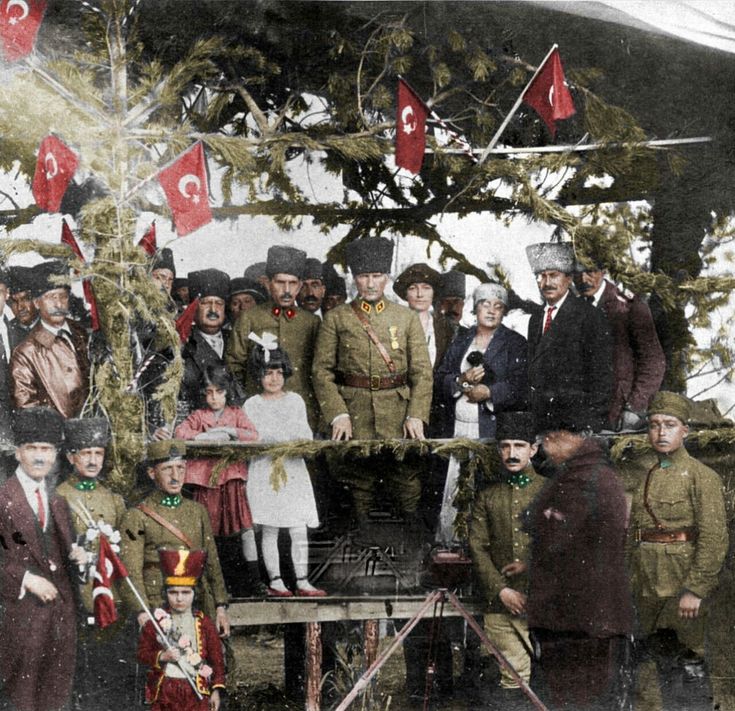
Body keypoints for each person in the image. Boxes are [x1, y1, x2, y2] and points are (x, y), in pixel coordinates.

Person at [312, 236, 433, 525]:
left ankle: (410, 561)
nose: (369, 283)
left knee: (407, 488)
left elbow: (422, 372)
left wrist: (416, 415)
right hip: (354, 417)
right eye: (364, 276)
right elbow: (321, 372)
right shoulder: (337, 318)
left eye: (376, 276)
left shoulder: (405, 318)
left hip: (398, 416)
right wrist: (338, 413)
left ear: (387, 278)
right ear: (354, 278)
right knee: (358, 490)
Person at [627, 391, 728, 711]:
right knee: (654, 665)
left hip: (682, 584)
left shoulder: (702, 476)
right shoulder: (648, 476)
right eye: (654, 424)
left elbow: (714, 538)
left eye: (669, 425)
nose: (661, 432)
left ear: (685, 430)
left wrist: (696, 589)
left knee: (688, 664)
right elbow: (634, 536)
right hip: (647, 585)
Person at [525, 427, 634, 709]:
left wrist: (545, 522)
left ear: (570, 438)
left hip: (580, 615)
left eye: (549, 439)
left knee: (576, 696)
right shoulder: (590, 473)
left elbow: (555, 537)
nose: (545, 447)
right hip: (587, 612)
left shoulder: (584, 479)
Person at [0, 408, 86, 711]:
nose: (40, 457)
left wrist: (79, 558)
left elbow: (62, 559)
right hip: (19, 618)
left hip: (60, 620)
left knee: (55, 696)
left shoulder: (58, 502)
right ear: (19, 452)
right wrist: (25, 578)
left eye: (47, 449)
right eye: (32, 448)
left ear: (56, 454)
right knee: (21, 700)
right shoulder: (3, 499)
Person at [434, 283, 528, 543]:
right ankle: (453, 548)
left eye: (498, 306)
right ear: (475, 309)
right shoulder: (461, 340)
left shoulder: (514, 343)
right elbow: (440, 378)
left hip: (490, 429)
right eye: (485, 304)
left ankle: (484, 549)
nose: (491, 311)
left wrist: (490, 393)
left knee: (487, 491)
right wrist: (462, 381)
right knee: (455, 489)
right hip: (458, 430)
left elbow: (521, 385)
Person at [55, 416, 132, 711]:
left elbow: (123, 550)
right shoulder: (60, 496)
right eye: (85, 453)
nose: (92, 459)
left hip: (110, 599)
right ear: (71, 456)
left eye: (98, 453)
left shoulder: (113, 499)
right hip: (77, 599)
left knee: (112, 674)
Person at [469, 412, 545, 707]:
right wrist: (501, 590)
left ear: (533, 449)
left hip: (543, 602)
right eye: (505, 446)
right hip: (498, 604)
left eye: (519, 446)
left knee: (550, 672)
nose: (511, 454)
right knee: (512, 675)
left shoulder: (551, 491)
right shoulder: (488, 496)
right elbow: (477, 546)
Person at [119, 439, 230, 635]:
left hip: (197, 601)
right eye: (167, 469)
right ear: (152, 473)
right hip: (158, 604)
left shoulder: (197, 511)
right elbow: (131, 570)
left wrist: (220, 606)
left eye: (180, 468)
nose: (175, 476)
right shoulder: (137, 515)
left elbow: (212, 561)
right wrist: (142, 611)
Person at [243, 341, 325, 597]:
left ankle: (302, 580)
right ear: (259, 375)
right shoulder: (252, 404)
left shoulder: (295, 401)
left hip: (292, 470)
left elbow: (303, 434)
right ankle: (276, 580)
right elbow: (254, 438)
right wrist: (272, 440)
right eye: (268, 373)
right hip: (266, 471)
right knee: (270, 527)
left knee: (298, 526)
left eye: (279, 372)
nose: (274, 378)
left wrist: (293, 441)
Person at [175, 365, 265, 597]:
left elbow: (254, 435)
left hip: (231, 480)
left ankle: (254, 581)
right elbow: (180, 433)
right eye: (209, 392)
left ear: (227, 392)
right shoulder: (198, 416)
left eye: (219, 392)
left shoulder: (236, 414)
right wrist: (203, 436)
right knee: (207, 531)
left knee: (244, 529)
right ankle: (207, 582)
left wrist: (230, 431)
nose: (214, 398)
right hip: (206, 481)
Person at [226, 245, 321, 430]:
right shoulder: (250, 318)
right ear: (268, 283)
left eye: (293, 283)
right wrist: (246, 403)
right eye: (280, 282)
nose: (286, 290)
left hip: (301, 415)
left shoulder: (311, 322)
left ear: (300, 285)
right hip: (258, 414)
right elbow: (233, 366)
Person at [525, 241, 613, 433]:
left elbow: (601, 377)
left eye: (553, 275)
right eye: (541, 276)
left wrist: (588, 423)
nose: (547, 283)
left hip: (576, 425)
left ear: (568, 278)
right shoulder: (536, 318)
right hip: (543, 423)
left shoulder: (589, 316)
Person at [574, 258, 666, 431]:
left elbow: (654, 361)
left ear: (603, 270)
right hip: (582, 414)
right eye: (576, 273)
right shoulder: (571, 308)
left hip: (618, 412)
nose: (583, 280)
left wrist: (635, 407)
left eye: (590, 271)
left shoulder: (628, 306)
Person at [137, 549, 225, 711]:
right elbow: (142, 654)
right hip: (165, 691)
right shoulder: (156, 623)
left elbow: (217, 661)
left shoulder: (204, 623)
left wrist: (216, 691)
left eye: (185, 592)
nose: (179, 598)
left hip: (196, 692)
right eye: (173, 592)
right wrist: (162, 656)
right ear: (166, 593)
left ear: (194, 593)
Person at [10, 260, 90, 419]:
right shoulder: (25, 352)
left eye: (63, 296)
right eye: (51, 297)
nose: (58, 304)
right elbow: (27, 410)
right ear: (37, 303)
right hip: (59, 439)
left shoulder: (84, 334)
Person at [180, 269, 239, 413]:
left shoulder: (237, 339)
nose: (213, 309)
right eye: (205, 303)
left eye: (219, 303)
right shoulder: (183, 343)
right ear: (193, 307)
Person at [393, 263, 454, 370]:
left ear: (433, 293)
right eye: (413, 288)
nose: (420, 294)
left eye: (426, 288)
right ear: (406, 294)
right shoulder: (394, 326)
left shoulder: (446, 329)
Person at [7, 265, 39, 340]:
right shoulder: (6, 331)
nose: (20, 307)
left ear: (36, 300)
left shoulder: (50, 324)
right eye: (14, 301)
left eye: (25, 299)